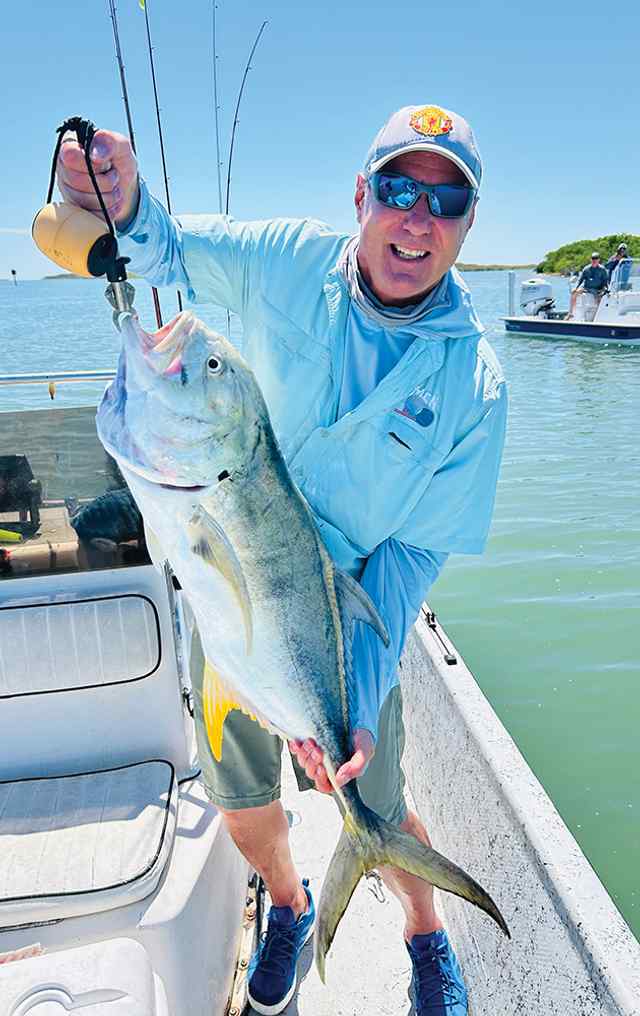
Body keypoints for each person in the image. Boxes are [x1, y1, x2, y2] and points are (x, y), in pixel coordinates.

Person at [57, 103, 507, 1016]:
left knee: (378, 797)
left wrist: (359, 702)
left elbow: (412, 552)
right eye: (399, 188)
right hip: (228, 614)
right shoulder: (289, 260)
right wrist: (123, 200)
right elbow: (167, 248)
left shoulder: (475, 386)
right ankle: (291, 907)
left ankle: (423, 929)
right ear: (361, 194)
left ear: (467, 224)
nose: (417, 219)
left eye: (447, 200)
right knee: (241, 799)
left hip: (345, 631)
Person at [567, 251, 609, 319]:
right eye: (593, 258)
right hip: (586, 288)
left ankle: (597, 318)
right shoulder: (586, 269)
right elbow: (580, 280)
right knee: (574, 293)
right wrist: (576, 288)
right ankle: (570, 313)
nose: (594, 260)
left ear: (599, 260)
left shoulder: (602, 269)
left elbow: (605, 282)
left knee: (600, 299)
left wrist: (604, 290)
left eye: (596, 258)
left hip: (597, 289)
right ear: (590, 259)